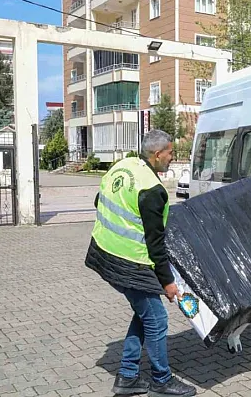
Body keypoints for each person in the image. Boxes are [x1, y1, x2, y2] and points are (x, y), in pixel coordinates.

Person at [85, 129, 197, 397]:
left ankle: (127, 377)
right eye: (170, 152)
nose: (173, 157)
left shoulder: (122, 167)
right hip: (128, 262)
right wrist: (168, 283)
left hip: (102, 252)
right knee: (156, 318)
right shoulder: (152, 190)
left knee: (144, 312)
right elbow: (155, 244)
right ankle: (161, 380)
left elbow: (99, 200)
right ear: (157, 155)